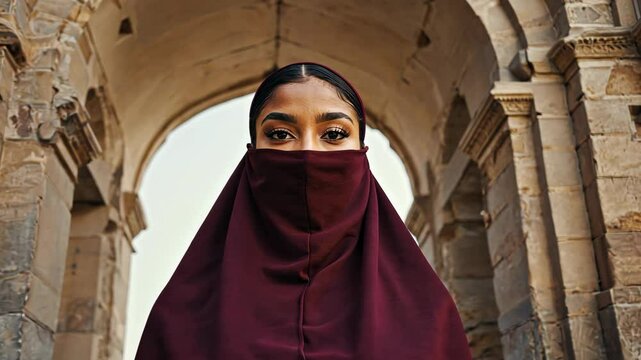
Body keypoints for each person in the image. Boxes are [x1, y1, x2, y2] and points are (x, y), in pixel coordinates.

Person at [134, 62, 472, 359]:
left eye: (334, 134)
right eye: (280, 134)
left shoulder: (427, 316)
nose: (308, 151)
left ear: (361, 150)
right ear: (252, 152)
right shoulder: (181, 318)